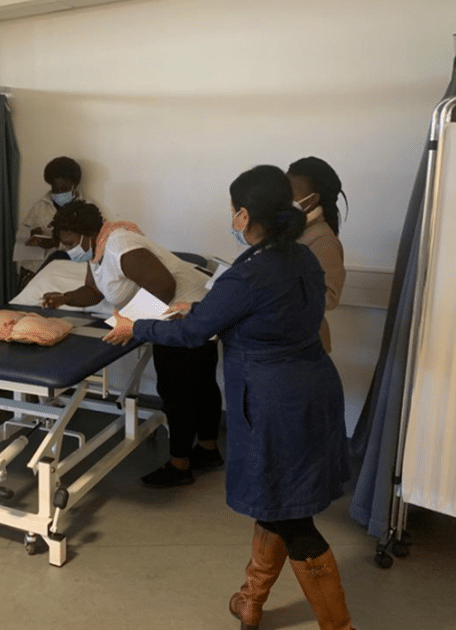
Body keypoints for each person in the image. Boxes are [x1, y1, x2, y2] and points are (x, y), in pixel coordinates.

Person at [104, 165, 354, 630]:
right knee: (275, 501)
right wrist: (197, 306)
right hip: (312, 388)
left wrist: (134, 326)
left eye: (232, 212)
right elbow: (261, 310)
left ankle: (340, 627)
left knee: (293, 520)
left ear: (242, 215)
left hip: (273, 403)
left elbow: (196, 334)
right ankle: (251, 601)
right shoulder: (298, 257)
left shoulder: (253, 270)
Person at [41, 199, 223, 488]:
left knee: (178, 389)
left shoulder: (119, 245)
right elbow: (92, 290)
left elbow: (164, 286)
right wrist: (64, 298)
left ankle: (180, 465)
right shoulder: (96, 249)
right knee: (198, 385)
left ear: (86, 234)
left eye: (69, 242)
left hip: (185, 313)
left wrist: (133, 324)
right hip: (181, 313)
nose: (66, 249)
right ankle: (208, 452)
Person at [287, 156, 347, 353]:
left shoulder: (322, 239)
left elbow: (328, 298)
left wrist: (278, 285)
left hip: (305, 344)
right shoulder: (292, 231)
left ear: (312, 199)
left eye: (291, 193)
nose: (283, 198)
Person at [13, 157, 87, 290]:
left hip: (64, 276)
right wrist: (31, 234)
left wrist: (57, 244)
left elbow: (90, 249)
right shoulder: (39, 207)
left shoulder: (86, 209)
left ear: (74, 184)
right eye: (55, 189)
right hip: (33, 274)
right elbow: (20, 237)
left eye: (63, 189)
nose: (59, 193)